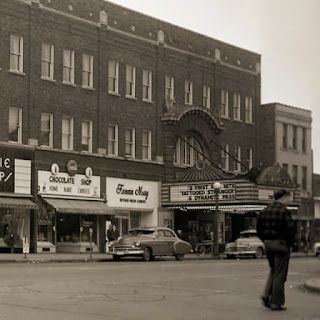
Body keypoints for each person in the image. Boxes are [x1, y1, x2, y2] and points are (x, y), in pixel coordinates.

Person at [257, 189, 296, 311]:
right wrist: (289, 245)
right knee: (280, 274)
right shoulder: (284, 211)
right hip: (281, 244)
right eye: (289, 198)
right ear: (283, 197)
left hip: (268, 244)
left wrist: (265, 241)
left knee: (274, 270)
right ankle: (276, 302)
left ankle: (266, 294)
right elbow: (291, 230)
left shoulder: (264, 211)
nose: (289, 201)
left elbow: (259, 229)